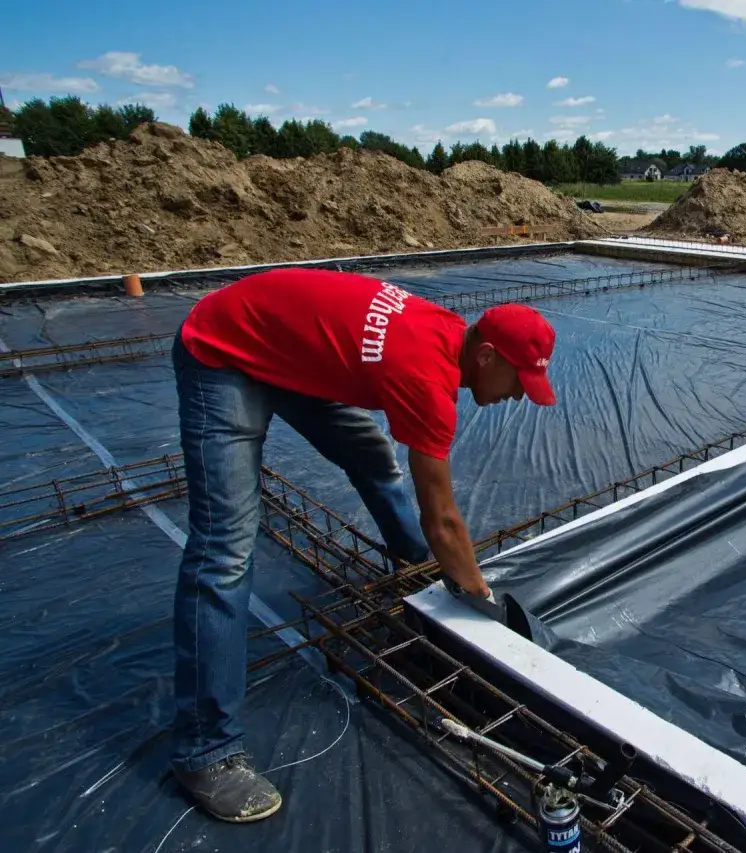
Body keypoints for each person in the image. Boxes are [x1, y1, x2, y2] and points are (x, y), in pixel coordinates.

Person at [168, 267, 557, 823]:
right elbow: (442, 520)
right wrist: (480, 597)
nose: (517, 395)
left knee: (373, 459)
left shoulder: (447, 333)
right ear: (487, 356)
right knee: (224, 551)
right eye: (518, 381)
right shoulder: (425, 378)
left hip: (286, 345)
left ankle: (418, 577)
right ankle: (205, 750)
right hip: (223, 349)